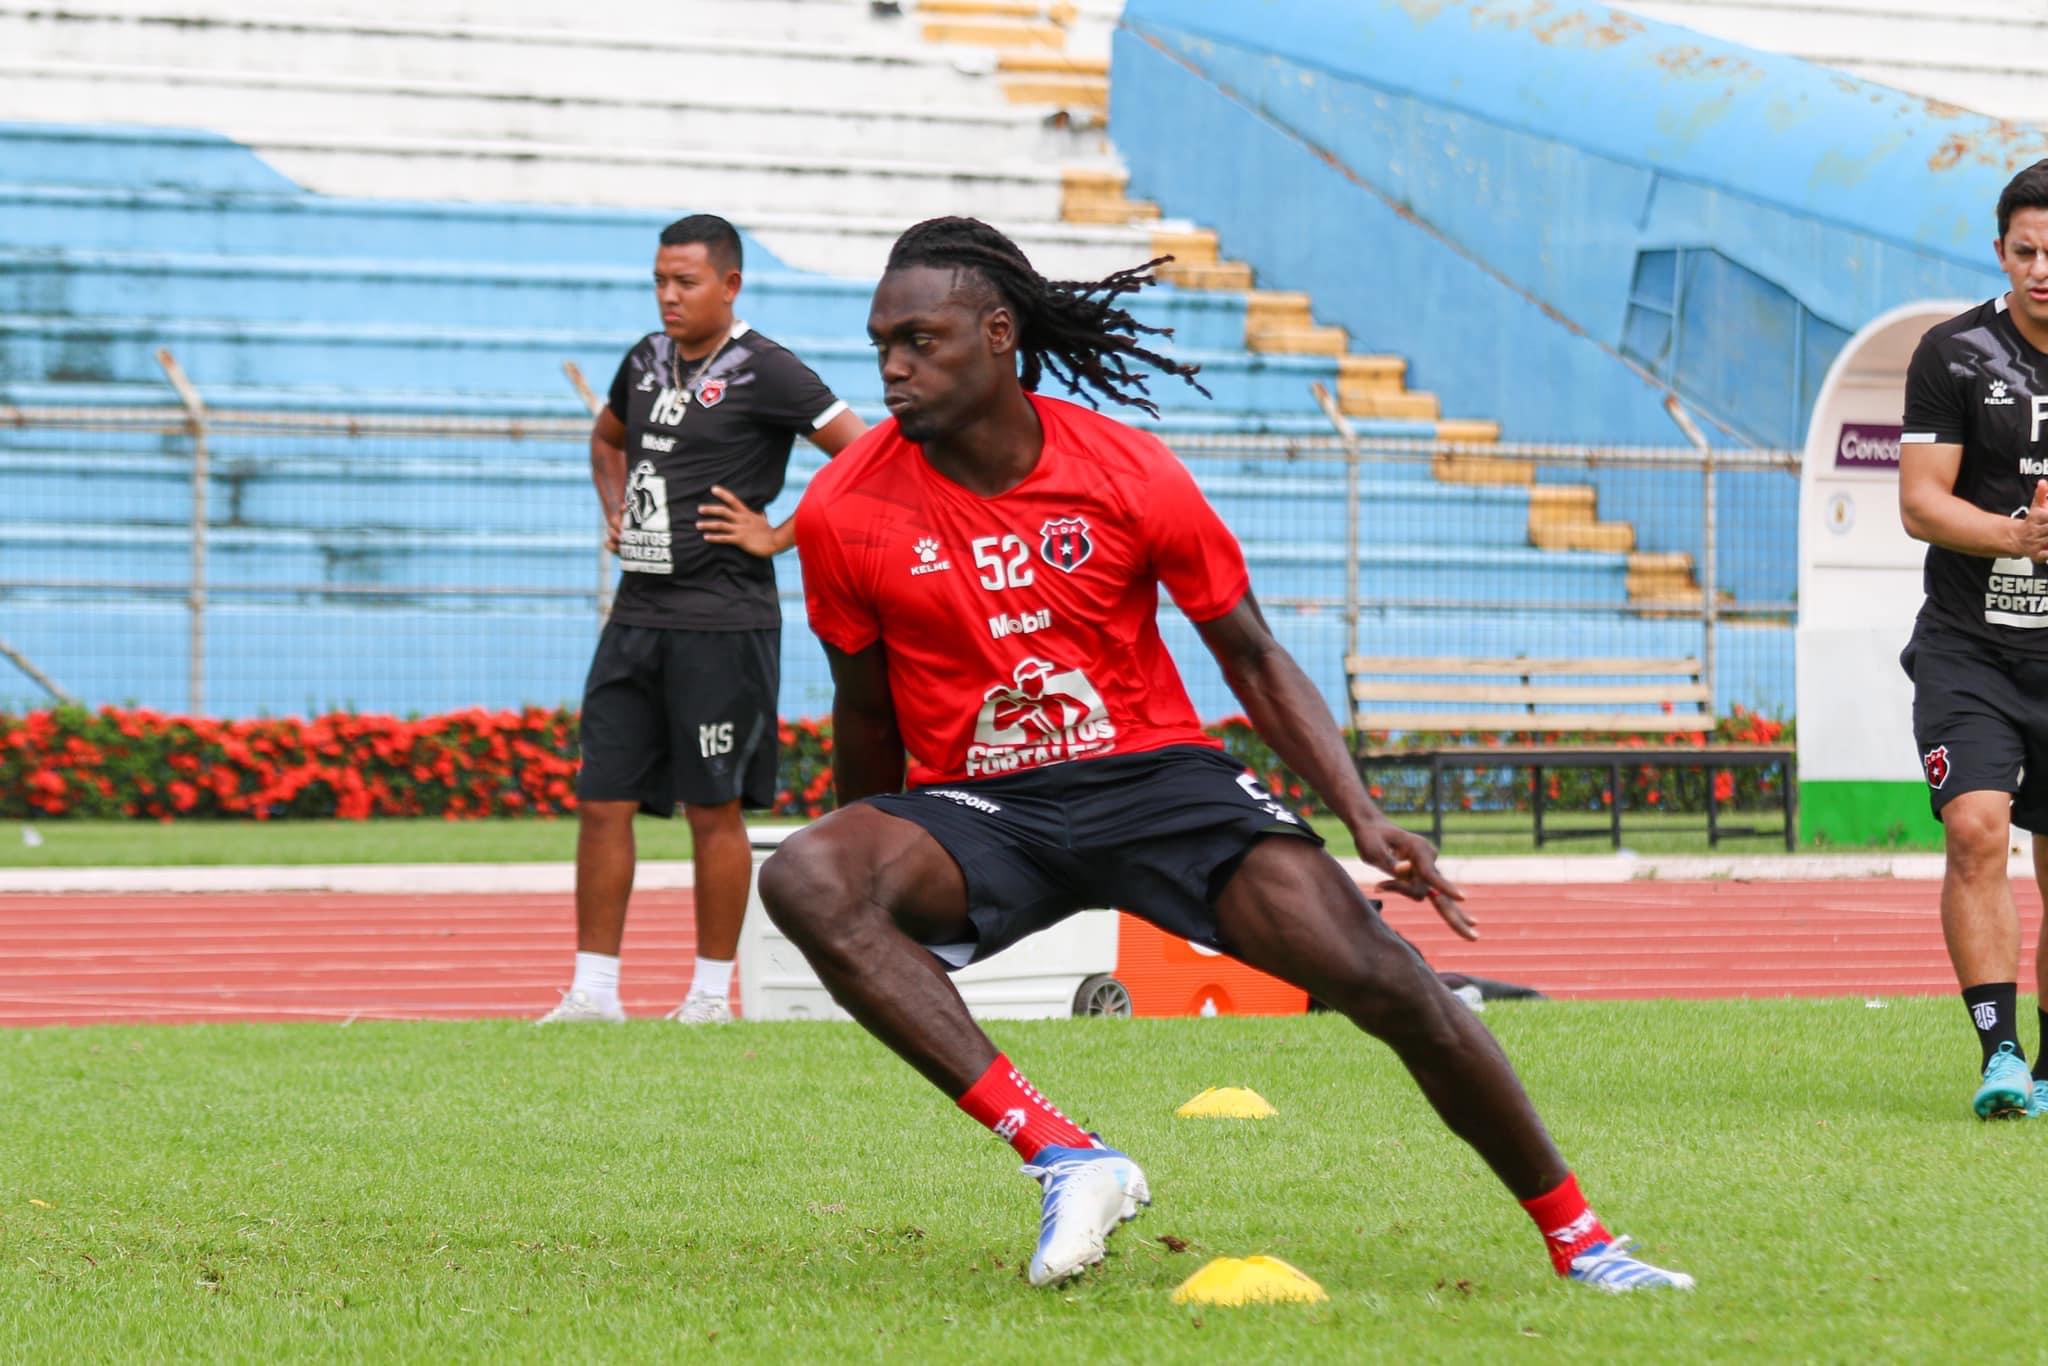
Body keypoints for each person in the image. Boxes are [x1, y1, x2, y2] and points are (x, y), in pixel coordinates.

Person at [757, 216, 1693, 1291]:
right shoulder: (842, 507)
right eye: (881, 342)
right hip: (985, 808)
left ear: (999, 333)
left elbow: (1248, 654)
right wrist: (867, 852)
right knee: (806, 873)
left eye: (920, 340)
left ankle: (1584, 1242)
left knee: (1385, 981)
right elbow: (862, 709)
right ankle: (1067, 1154)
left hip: (1156, 780)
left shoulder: (1125, 469)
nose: (890, 366)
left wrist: (1361, 813)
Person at [540, 213, 866, 1025]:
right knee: (602, 798)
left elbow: (868, 457)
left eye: (685, 282)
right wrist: (614, 509)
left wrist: (778, 534)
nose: (668, 296)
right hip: (636, 614)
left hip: (724, 620)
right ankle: (594, 993)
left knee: (711, 806)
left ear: (730, 284)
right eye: (659, 280)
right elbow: (608, 438)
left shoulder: (770, 369)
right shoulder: (645, 360)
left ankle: (706, 999)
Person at [1898, 158, 2048, 1118]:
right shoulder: (1954, 355)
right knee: (1975, 830)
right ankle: (2001, 1057)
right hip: (1971, 646)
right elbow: (1920, 502)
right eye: (2027, 250)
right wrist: (2016, 536)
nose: (2043, 269)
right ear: (2001, 251)